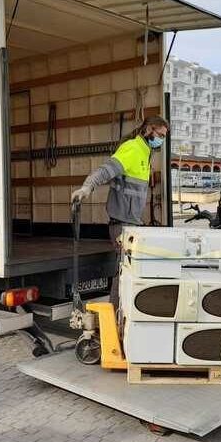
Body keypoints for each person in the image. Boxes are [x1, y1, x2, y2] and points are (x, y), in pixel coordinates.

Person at [71, 115, 169, 309]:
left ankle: (122, 316)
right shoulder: (133, 149)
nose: (161, 140)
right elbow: (105, 171)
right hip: (121, 226)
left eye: (164, 137)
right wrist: (86, 187)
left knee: (128, 271)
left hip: (132, 225)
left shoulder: (145, 153)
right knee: (123, 271)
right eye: (160, 135)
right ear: (149, 130)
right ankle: (114, 317)